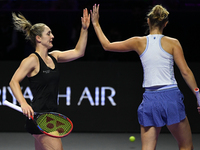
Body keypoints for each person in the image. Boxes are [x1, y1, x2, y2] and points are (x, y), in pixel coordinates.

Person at [91, 4, 199, 150]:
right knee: (186, 146)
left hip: (150, 100)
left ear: (148, 21)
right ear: (165, 24)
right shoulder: (173, 43)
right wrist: (199, 97)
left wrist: (96, 24)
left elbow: (107, 45)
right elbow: (185, 72)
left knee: (147, 148)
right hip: (171, 97)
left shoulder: (138, 42)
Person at [9, 8, 90, 150]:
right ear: (38, 38)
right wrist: (23, 103)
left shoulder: (55, 56)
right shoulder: (32, 60)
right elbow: (13, 81)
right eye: (48, 33)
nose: (52, 36)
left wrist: (84, 29)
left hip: (51, 115)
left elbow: (79, 52)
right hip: (38, 117)